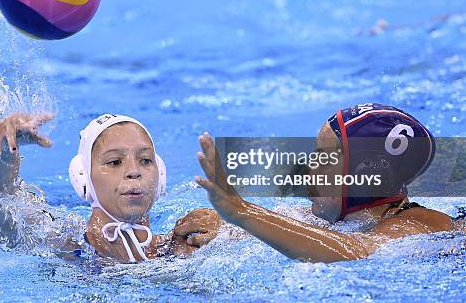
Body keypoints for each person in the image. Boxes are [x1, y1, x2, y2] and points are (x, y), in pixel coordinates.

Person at [194, 103, 464, 263]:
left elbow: (356, 251)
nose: (309, 167)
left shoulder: (421, 224)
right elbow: (289, 223)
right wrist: (221, 225)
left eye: (324, 157)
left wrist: (241, 211)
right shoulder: (347, 218)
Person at [0, 113, 221, 263]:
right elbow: (1, 203)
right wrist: (2, 152)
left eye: (146, 160)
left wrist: (225, 225)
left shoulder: (176, 247)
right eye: (114, 162)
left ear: (161, 175)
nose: (133, 171)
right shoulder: (67, 245)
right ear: (83, 177)